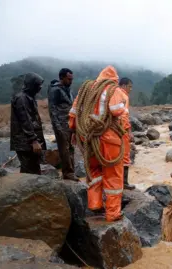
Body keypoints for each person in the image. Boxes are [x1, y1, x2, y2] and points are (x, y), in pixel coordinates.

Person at [69, 65, 127, 222]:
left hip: (87, 137)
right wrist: (123, 103)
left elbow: (73, 114)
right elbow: (116, 110)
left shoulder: (86, 89)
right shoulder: (112, 89)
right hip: (108, 137)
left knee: (94, 170)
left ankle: (95, 204)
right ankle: (113, 213)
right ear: (114, 79)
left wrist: (74, 132)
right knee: (113, 173)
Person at [10, 73, 46, 174]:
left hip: (28, 142)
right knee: (29, 171)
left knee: (33, 168)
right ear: (31, 85)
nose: (40, 87)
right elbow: (25, 120)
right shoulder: (22, 98)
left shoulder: (29, 97)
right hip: (24, 142)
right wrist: (33, 141)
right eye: (38, 84)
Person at [48, 68, 77, 181]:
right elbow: (52, 110)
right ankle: (67, 173)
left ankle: (71, 171)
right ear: (62, 78)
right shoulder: (55, 90)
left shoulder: (68, 90)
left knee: (70, 148)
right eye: (69, 79)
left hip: (69, 124)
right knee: (64, 149)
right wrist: (58, 127)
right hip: (61, 124)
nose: (71, 81)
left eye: (72, 79)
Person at [118, 77, 136, 190]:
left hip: (114, 131)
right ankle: (124, 183)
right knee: (125, 156)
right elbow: (124, 116)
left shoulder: (114, 93)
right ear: (124, 85)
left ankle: (118, 181)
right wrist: (129, 131)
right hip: (122, 130)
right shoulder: (123, 95)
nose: (131, 89)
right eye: (130, 86)